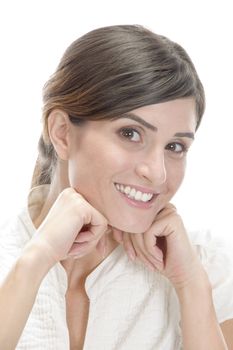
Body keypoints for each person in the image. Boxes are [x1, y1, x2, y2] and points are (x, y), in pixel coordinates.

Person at [0, 24, 232, 350]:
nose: (157, 173)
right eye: (130, 134)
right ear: (63, 133)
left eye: (175, 146)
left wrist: (192, 286)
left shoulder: (205, 268)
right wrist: (35, 259)